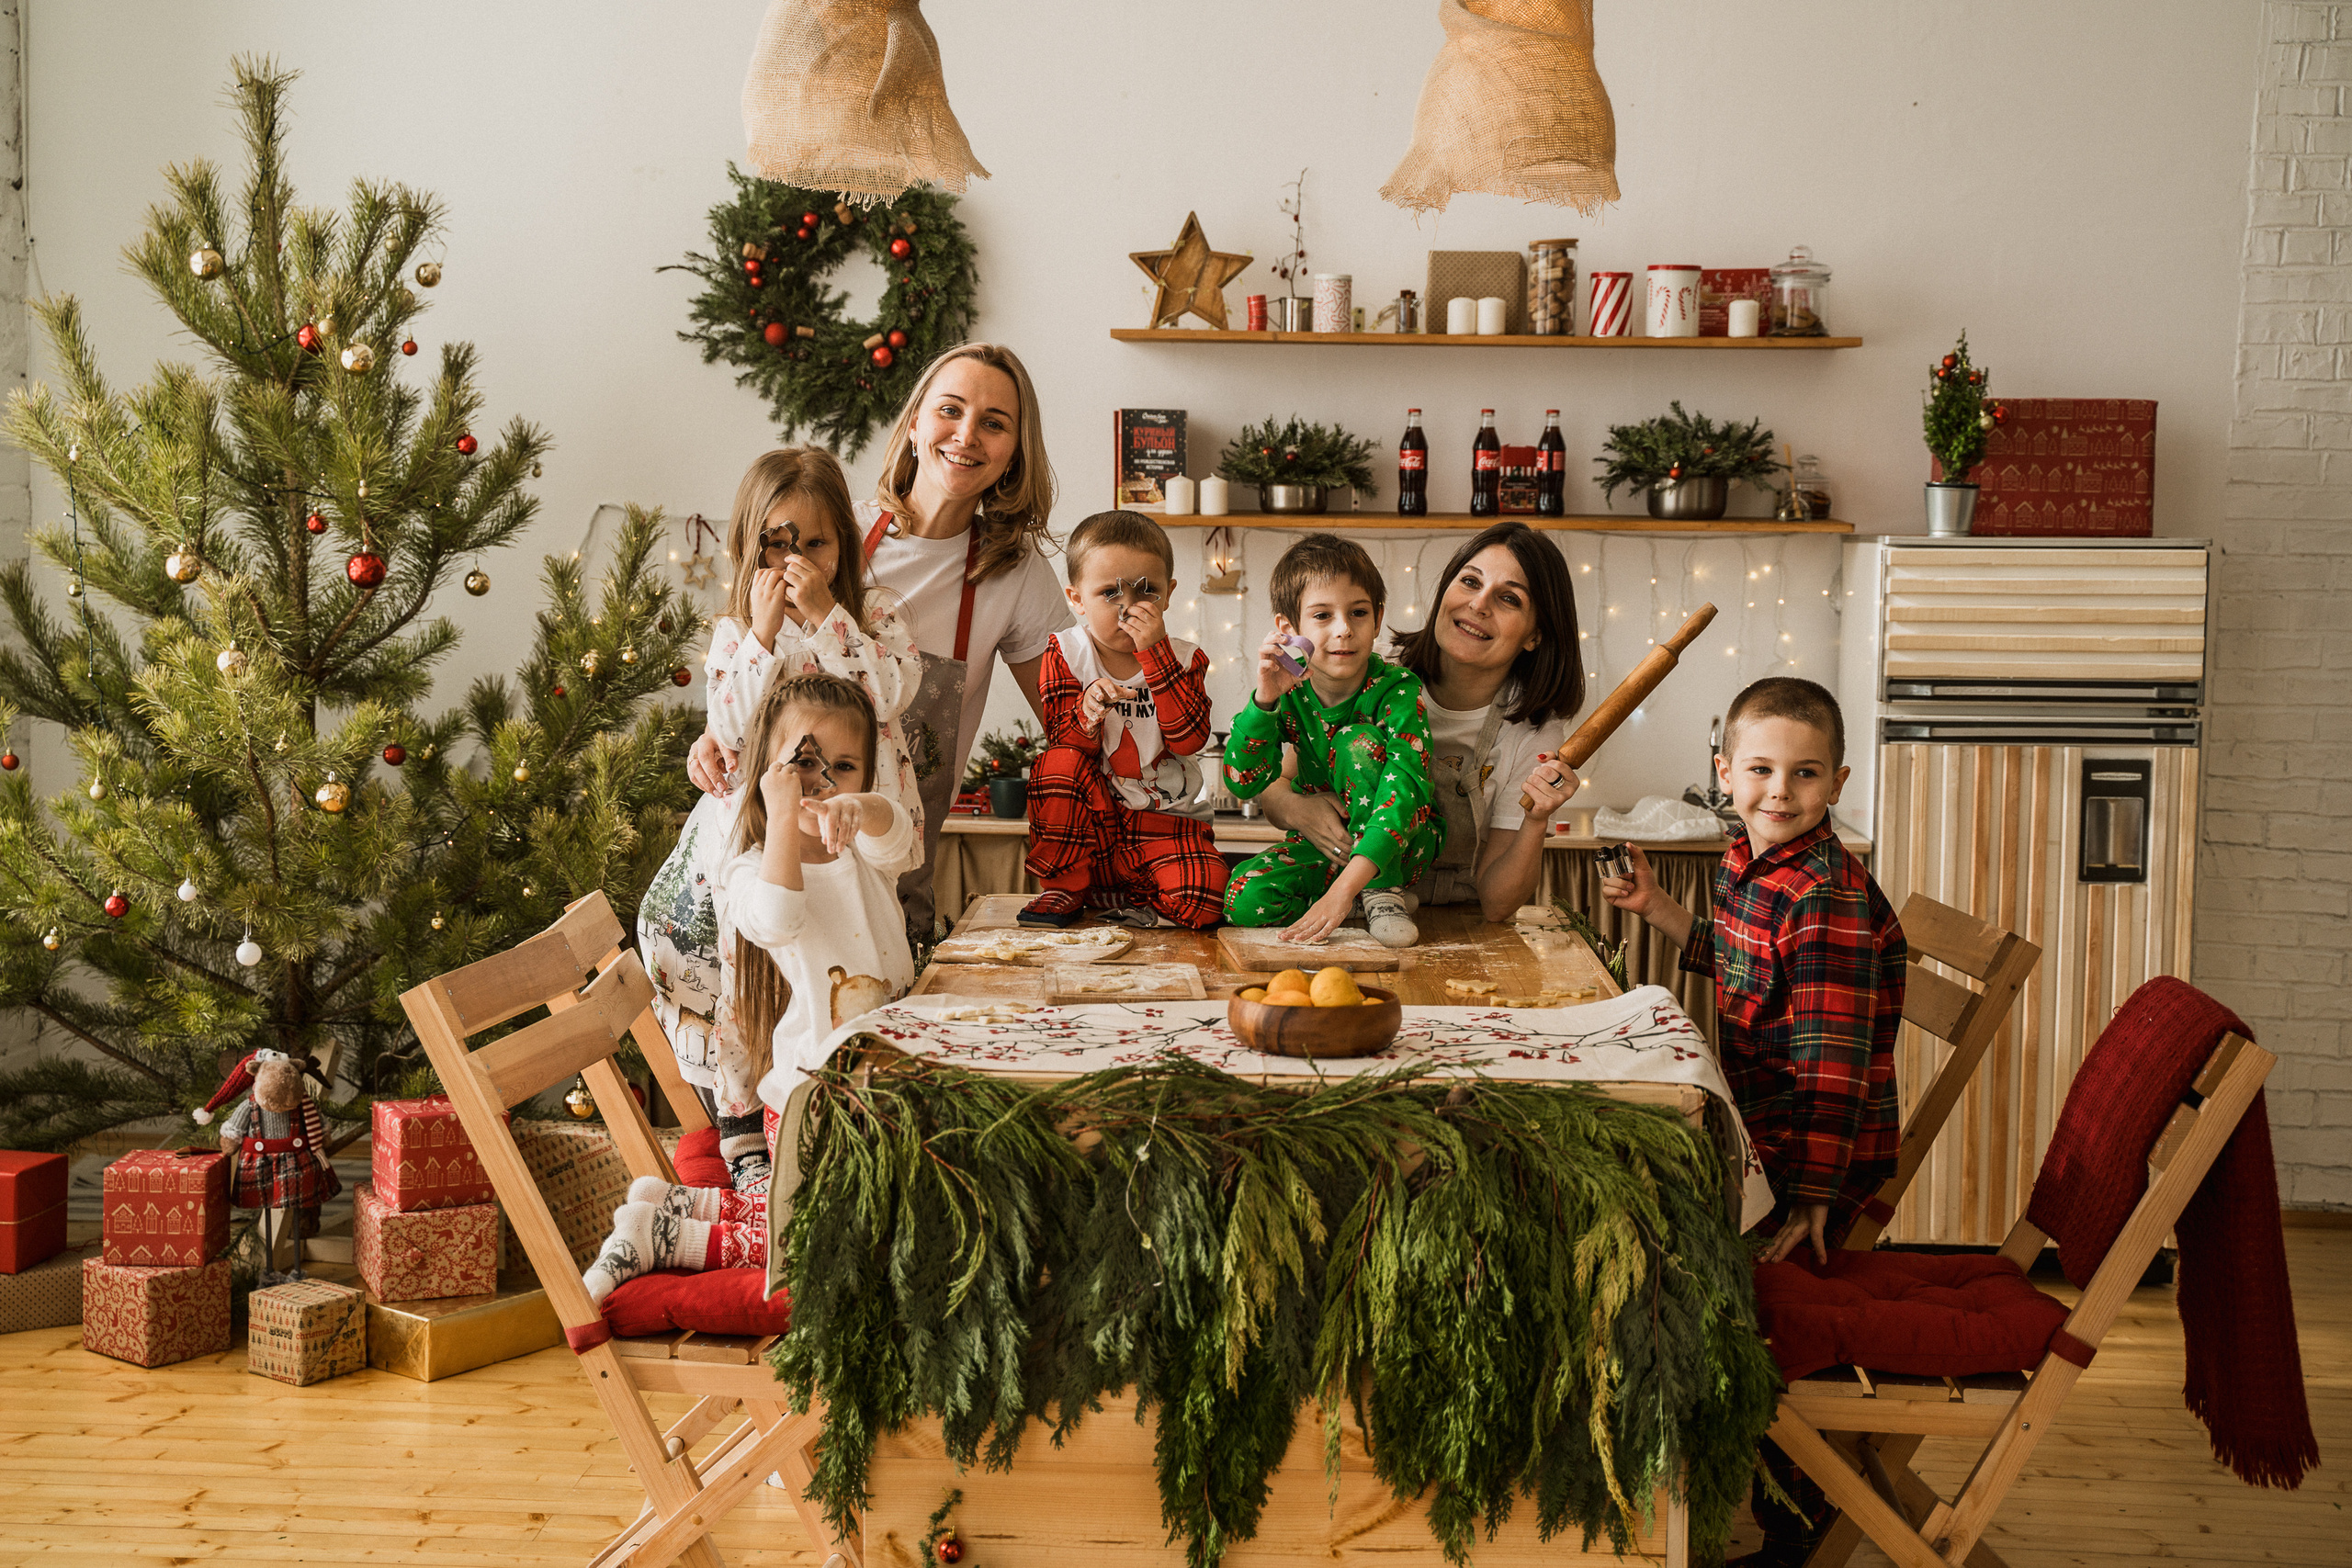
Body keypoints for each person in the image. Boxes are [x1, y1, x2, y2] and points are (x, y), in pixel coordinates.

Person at [1599, 675, 1905, 1568]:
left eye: (1804, 774)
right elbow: (1740, 962)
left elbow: (1836, 1063)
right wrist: (1658, 911)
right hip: (1770, 1131)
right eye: (1762, 770)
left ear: (1838, 782)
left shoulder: (1824, 899)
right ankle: (1720, 1466)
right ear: (1724, 773)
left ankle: (1797, 1519)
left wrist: (1809, 1194)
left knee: (1752, 1313)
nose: (1780, 791)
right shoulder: (1752, 858)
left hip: (1812, 1152)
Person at [692, 343, 1071, 940]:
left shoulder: (1014, 571)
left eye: (994, 423)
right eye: (950, 410)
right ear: (915, 422)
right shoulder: (827, 534)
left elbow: (1073, 714)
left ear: (1014, 453)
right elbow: (746, 649)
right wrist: (717, 725)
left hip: (885, 858)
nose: (967, 434)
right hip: (763, 854)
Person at [639, 447, 921, 1191]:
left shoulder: (876, 613)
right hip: (765, 835)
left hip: (851, 829)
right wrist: (761, 639)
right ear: (749, 544)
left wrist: (827, 614)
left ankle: (864, 1077)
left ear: (844, 548)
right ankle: (741, 1114)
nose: (796, 560)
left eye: (816, 543)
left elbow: (885, 695)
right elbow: (731, 730)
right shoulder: (736, 630)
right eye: (778, 542)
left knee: (860, 943)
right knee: (747, 965)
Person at [587, 672, 912, 1303]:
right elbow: (778, 917)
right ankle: (660, 1239)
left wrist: (859, 808)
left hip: (872, 1089)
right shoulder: (749, 867)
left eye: (845, 767)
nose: (826, 781)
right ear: (767, 771)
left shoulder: (865, 849)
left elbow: (898, 833)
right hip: (812, 1101)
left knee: (851, 1213)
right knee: (827, 1234)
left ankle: (684, 1205)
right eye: (807, 765)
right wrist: (784, 813)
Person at [1259, 522, 1584, 922]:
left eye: (1509, 599)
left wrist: (1536, 820)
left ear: (1536, 634)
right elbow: (1276, 782)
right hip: (1342, 904)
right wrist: (1296, 810)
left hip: (1457, 921)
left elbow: (1498, 904)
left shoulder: (1531, 731)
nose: (1478, 605)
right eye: (1469, 581)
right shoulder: (1374, 673)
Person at [1221, 533, 1441, 948]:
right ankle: (1354, 900)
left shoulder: (1397, 688)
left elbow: (1408, 789)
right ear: (1289, 628)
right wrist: (1265, 699)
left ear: (1377, 619)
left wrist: (1340, 893)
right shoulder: (1288, 692)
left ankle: (1379, 892)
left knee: (1354, 741)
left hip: (1400, 846)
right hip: (1328, 845)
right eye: (1322, 616)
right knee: (1243, 901)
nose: (1343, 629)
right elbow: (1243, 782)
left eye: (1357, 612)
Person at [1021, 510, 1223, 929]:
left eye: (1145, 591)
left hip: (1166, 824)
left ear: (1167, 594)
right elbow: (1064, 743)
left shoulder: (1186, 659)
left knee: (1205, 901)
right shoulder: (1066, 653)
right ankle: (1067, 885)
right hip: (1090, 826)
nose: (1128, 607)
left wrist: (1154, 655)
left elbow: (1188, 740)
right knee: (1054, 764)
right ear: (1076, 599)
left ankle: (1125, 896)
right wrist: (1088, 709)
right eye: (1110, 593)